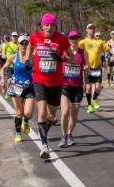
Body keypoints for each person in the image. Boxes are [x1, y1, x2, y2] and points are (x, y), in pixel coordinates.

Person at [25, 13, 75, 159]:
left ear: (55, 26)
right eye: (47, 25)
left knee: (51, 115)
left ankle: (44, 134)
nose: (49, 27)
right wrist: (29, 60)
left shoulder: (62, 38)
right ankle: (45, 145)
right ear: (42, 26)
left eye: (52, 25)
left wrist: (62, 58)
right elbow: (30, 47)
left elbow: (71, 56)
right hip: (39, 79)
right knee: (41, 111)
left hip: (56, 81)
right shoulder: (35, 36)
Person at [0, 35, 34, 142]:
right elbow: (3, 68)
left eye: (26, 43)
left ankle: (26, 121)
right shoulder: (14, 57)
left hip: (29, 87)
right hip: (16, 87)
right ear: (18, 45)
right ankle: (18, 133)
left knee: (28, 113)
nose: (24, 46)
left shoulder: (32, 57)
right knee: (19, 113)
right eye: (22, 43)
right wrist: (2, 78)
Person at [58, 31, 90, 148]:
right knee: (65, 112)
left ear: (79, 39)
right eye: (71, 38)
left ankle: (69, 134)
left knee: (74, 114)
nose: (74, 40)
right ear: (68, 39)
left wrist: (87, 69)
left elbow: (88, 69)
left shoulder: (83, 53)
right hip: (65, 85)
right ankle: (63, 137)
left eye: (76, 38)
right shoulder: (63, 52)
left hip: (77, 87)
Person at [79, 24, 110, 113]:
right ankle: (89, 105)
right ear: (86, 30)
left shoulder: (99, 41)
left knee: (98, 88)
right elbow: (78, 53)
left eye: (93, 28)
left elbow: (107, 49)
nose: (92, 30)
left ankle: (94, 98)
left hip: (97, 68)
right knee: (88, 88)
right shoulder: (83, 42)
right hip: (88, 68)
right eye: (90, 28)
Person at [3, 32, 19, 100]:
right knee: (9, 79)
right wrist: (4, 55)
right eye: (13, 36)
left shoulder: (19, 44)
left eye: (16, 36)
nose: (15, 37)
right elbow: (4, 51)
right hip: (9, 65)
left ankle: (14, 94)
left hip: (17, 65)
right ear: (11, 37)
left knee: (17, 80)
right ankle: (8, 93)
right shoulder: (8, 44)